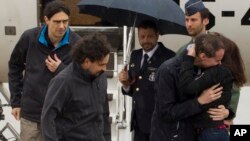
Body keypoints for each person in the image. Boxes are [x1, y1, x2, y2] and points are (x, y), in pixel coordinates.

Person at [8, 1, 80, 140]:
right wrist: (16, 102)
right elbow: (15, 67)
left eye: (65, 21)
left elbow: (81, 79)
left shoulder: (77, 44)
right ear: (46, 20)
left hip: (62, 117)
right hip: (31, 116)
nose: (62, 26)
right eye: (57, 21)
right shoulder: (29, 37)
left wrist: (61, 69)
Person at [150, 33, 231, 141]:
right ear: (203, 56)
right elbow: (166, 112)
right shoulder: (168, 70)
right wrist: (199, 101)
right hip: (169, 137)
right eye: (217, 60)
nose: (219, 64)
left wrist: (227, 112)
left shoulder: (207, 69)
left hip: (194, 134)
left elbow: (221, 94)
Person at [176, 0, 239, 127]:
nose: (189, 24)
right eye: (187, 20)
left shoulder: (221, 47)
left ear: (205, 21)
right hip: (190, 121)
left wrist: (229, 112)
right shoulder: (182, 52)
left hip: (214, 119)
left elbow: (234, 83)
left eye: (193, 20)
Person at [41, 33, 111, 141]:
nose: (105, 69)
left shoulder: (101, 78)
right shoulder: (63, 81)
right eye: (101, 64)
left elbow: (104, 114)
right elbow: (48, 118)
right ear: (87, 61)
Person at [178, 33, 246, 141]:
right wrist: (229, 113)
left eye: (219, 59)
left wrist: (188, 59)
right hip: (212, 128)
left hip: (210, 129)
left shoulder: (217, 72)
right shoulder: (218, 72)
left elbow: (188, 87)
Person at [118, 20, 175, 141]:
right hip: (138, 121)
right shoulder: (135, 55)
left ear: (157, 35)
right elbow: (135, 88)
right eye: (142, 37)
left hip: (159, 123)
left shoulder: (169, 57)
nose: (145, 40)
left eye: (150, 36)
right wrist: (125, 84)